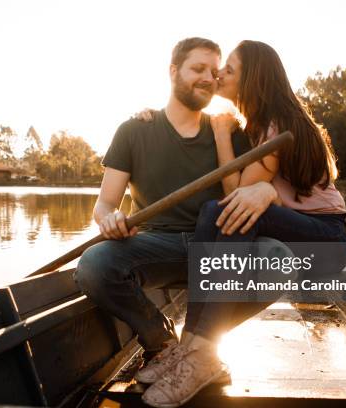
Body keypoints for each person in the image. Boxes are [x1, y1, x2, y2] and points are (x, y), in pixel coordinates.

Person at [141, 40, 346, 408]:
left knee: (224, 210)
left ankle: (203, 350)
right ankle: (192, 345)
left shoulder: (280, 126)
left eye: (230, 69)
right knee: (214, 213)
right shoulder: (259, 124)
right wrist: (150, 118)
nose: (219, 74)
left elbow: (235, 189)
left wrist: (223, 136)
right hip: (298, 229)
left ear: (252, 78)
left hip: (328, 239)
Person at [73, 37, 278, 379]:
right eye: (198, 69)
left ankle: (204, 345)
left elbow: (257, 182)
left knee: (281, 258)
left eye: (214, 72)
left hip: (217, 247)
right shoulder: (134, 130)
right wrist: (109, 219)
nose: (208, 78)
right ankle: (163, 343)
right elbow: (105, 202)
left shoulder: (229, 131)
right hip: (157, 248)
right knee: (94, 264)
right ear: (173, 71)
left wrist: (265, 191)